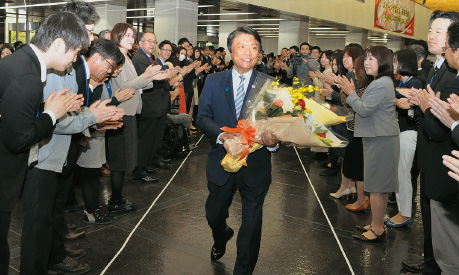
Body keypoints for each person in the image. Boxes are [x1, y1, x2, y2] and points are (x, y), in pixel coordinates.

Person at [0, 12, 88, 275]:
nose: (75, 59)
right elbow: (19, 139)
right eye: (74, 52)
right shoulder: (27, 77)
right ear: (59, 44)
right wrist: (51, 114)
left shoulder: (16, 62)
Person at [196, 26, 279, 274]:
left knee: (252, 223)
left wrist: (273, 141)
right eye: (242, 46)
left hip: (256, 165)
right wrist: (223, 136)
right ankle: (221, 235)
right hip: (222, 161)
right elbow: (202, 118)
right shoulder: (213, 80)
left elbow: (278, 124)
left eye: (254, 47)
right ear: (231, 51)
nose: (248, 52)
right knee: (214, 213)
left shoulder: (269, 84)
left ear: (259, 53)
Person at [401, 10, 459, 275]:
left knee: (443, 228)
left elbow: (441, 124)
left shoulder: (452, 72)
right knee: (429, 218)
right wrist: (417, 104)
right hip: (430, 158)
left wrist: (424, 109)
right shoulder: (435, 68)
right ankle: (430, 262)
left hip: (445, 162)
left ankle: (436, 265)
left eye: (440, 31)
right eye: (431, 30)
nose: (433, 36)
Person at [341, 46, 400, 242]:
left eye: (372, 59)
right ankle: (377, 224)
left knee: (376, 188)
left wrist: (351, 93)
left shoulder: (381, 84)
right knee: (379, 188)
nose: (367, 63)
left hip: (380, 140)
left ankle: (377, 229)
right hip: (379, 138)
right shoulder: (380, 82)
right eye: (366, 58)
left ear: (382, 63)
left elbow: (364, 110)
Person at [387, 49, 422, 228]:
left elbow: (409, 105)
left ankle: (405, 214)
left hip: (409, 133)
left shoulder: (414, 82)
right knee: (400, 173)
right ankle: (402, 211)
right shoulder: (405, 81)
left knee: (403, 174)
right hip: (402, 132)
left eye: (395, 62)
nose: (393, 66)